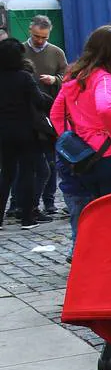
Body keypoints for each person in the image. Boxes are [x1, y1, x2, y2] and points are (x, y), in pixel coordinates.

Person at [50, 25, 111, 247]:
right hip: (110, 154)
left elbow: (55, 112)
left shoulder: (74, 76)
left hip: (81, 156)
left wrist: (68, 140)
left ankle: (89, 254)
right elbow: (105, 108)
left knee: (89, 212)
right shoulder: (104, 77)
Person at [0, 39, 51, 229]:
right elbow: (38, 100)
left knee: (6, 174)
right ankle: (27, 217)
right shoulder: (24, 77)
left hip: (4, 132)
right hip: (26, 132)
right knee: (28, 172)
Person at [22, 15, 67, 220]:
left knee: (50, 160)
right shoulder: (21, 51)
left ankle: (49, 203)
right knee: (26, 162)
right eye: (36, 36)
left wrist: (54, 79)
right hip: (26, 112)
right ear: (30, 30)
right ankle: (20, 203)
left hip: (49, 113)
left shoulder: (56, 53)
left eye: (43, 37)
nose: (39, 40)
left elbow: (66, 78)